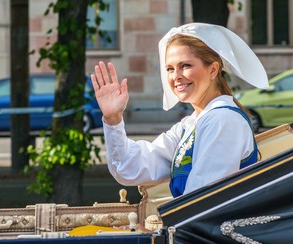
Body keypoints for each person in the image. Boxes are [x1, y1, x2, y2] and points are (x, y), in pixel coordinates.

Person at [91, 23, 269, 198]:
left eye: (186, 66)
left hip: (204, 226)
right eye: (170, 68)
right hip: (192, 225)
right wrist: (113, 118)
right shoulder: (191, 124)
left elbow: (202, 198)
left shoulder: (223, 119)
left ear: (213, 70)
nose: (176, 76)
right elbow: (130, 168)